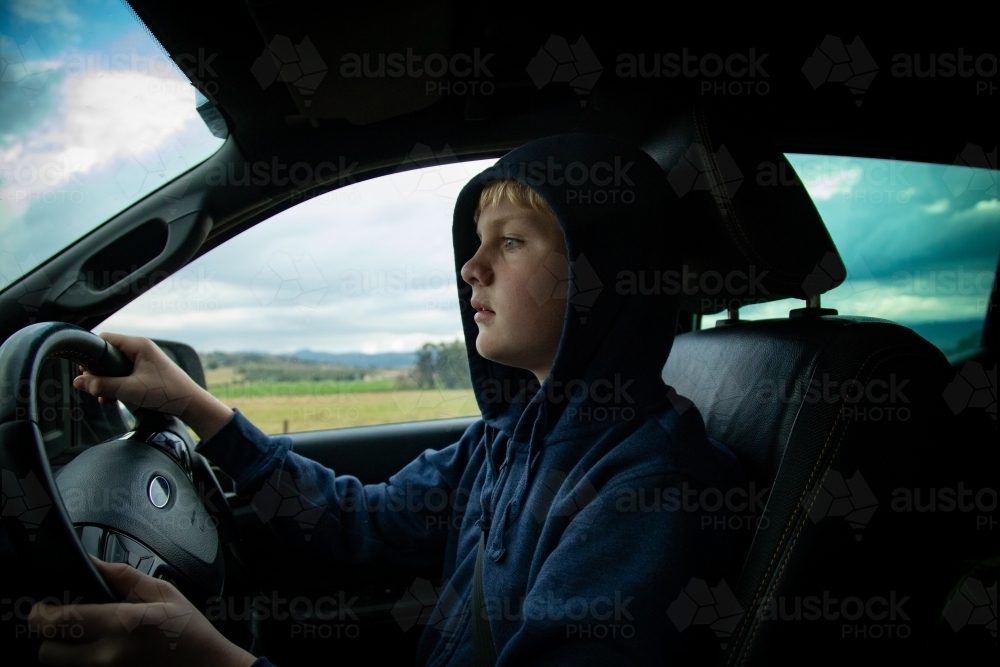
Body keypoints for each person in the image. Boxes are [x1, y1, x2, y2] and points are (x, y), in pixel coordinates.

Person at [30, 134, 747, 666]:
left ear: (601, 280)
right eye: (475, 243)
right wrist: (196, 406)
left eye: (513, 241)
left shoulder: (645, 492)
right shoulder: (506, 437)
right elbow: (357, 519)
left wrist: (210, 658)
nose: (471, 267)